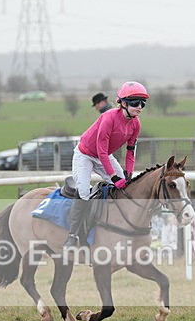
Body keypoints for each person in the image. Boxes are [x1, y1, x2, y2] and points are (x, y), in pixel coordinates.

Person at [64, 81, 149, 249]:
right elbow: (101, 152)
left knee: (124, 190)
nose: (139, 106)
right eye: (135, 102)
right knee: (83, 191)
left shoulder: (136, 124)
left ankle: (113, 228)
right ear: (123, 103)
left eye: (142, 103)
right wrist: (114, 177)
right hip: (85, 155)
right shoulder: (109, 117)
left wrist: (128, 174)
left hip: (104, 156)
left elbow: (130, 151)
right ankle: (72, 236)